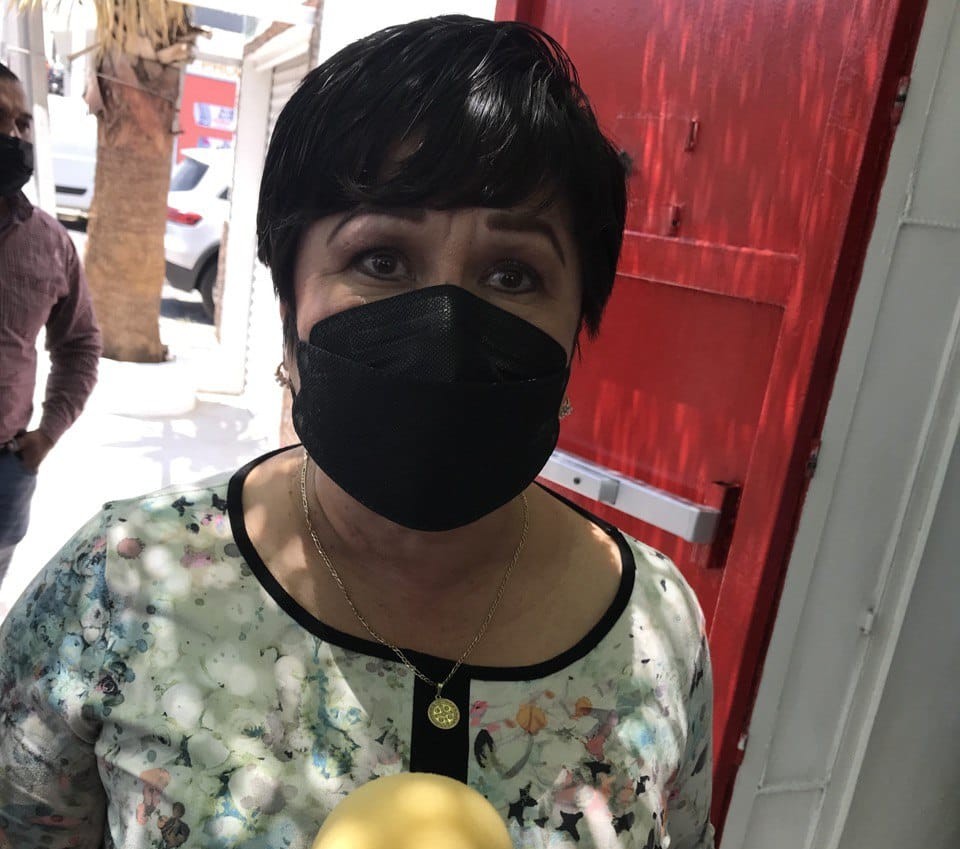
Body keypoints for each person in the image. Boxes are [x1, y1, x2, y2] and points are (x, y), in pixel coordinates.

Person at [0, 17, 714, 849]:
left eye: (513, 273)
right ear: (290, 300)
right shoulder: (117, 585)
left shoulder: (657, 626)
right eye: (381, 260)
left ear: (578, 322)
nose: (446, 324)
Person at [0, 62, 101, 593]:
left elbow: (79, 344)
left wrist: (48, 433)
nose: (14, 135)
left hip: (5, 470)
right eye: (0, 119)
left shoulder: (49, 242)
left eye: (22, 123)